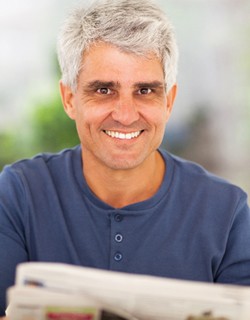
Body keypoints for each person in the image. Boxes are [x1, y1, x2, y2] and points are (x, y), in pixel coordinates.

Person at [0, 0, 250, 317]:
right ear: (69, 99)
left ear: (169, 101)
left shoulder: (227, 211)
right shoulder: (19, 194)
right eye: (104, 90)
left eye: (145, 90)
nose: (126, 115)